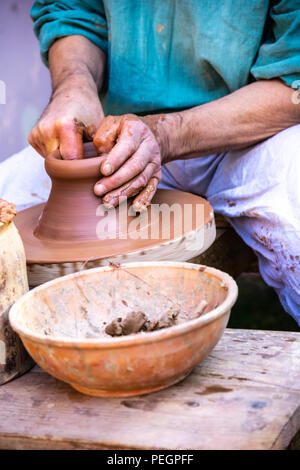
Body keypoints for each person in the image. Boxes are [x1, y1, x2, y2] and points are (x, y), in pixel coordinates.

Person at [1, 1, 300, 324]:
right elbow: (74, 13)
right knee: (8, 201)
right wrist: (75, 85)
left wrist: (167, 135)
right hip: (117, 133)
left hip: (252, 126)